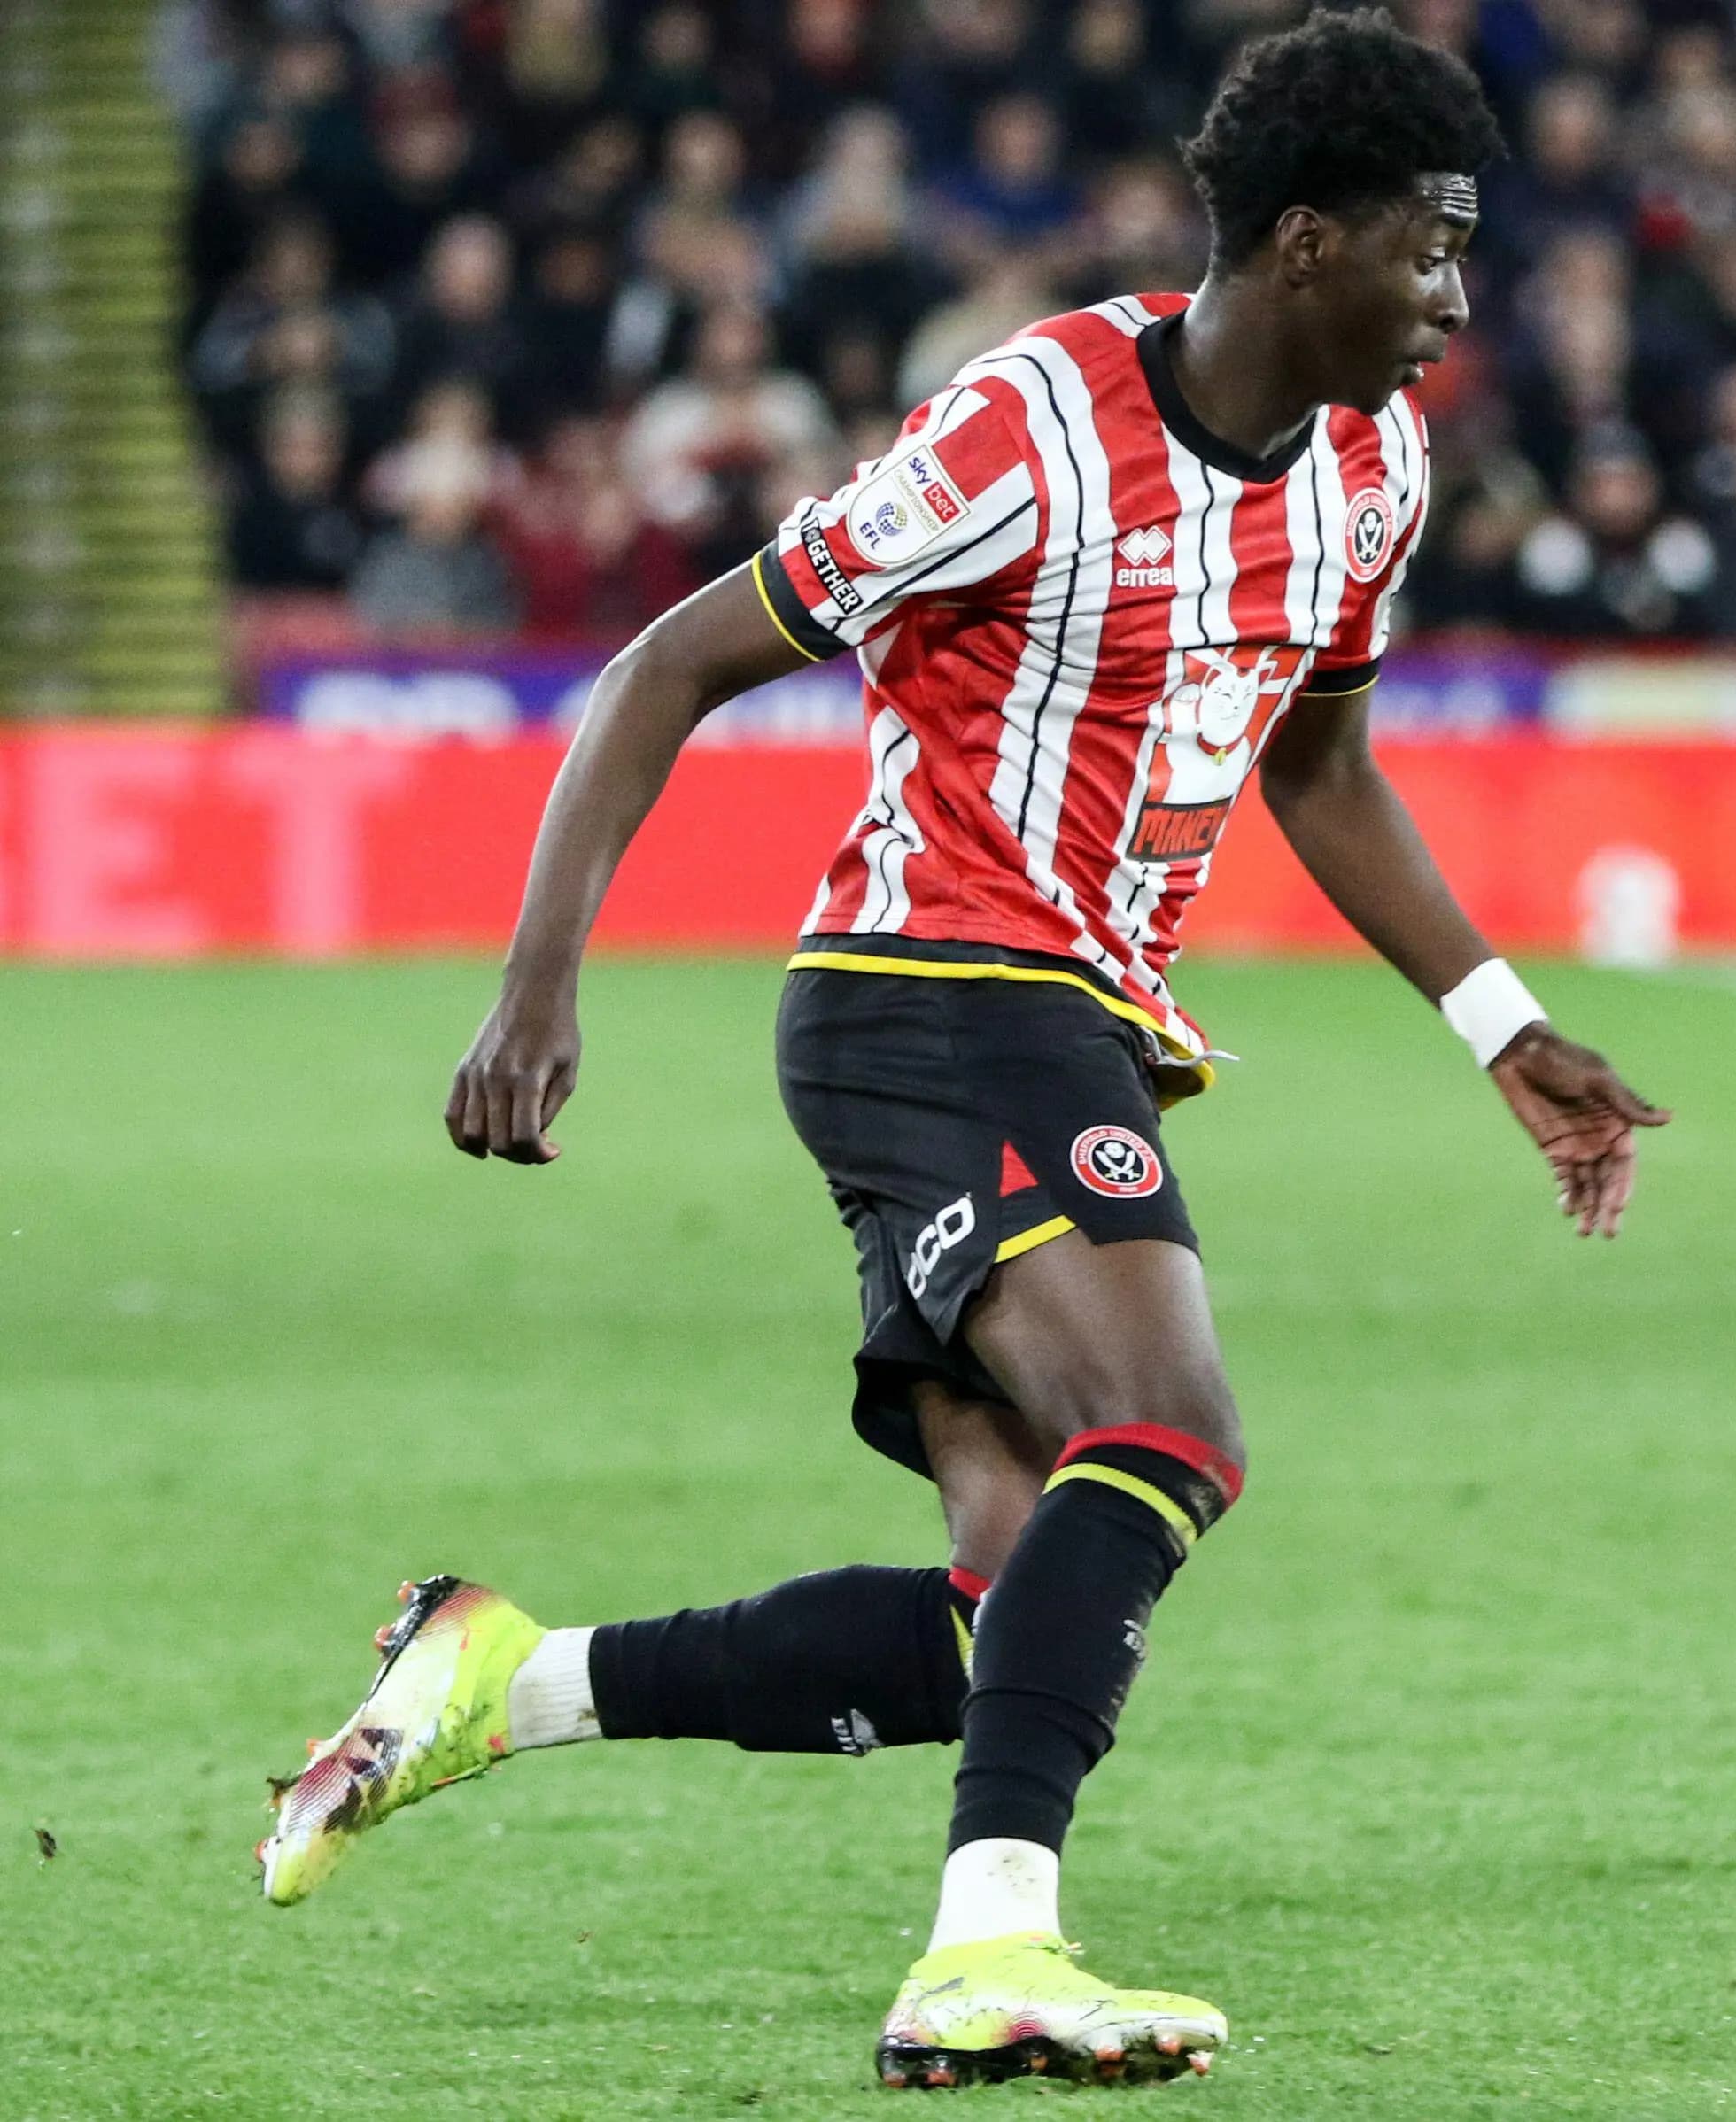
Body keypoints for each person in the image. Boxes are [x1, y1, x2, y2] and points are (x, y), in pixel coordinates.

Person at [256, 12, 1664, 2093]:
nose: (1458, 299)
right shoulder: (1032, 427)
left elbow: (1328, 762)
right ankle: (986, 1948)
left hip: (1075, 1018)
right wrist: (540, 978)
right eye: (1428, 252)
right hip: (935, 988)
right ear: (1302, 241)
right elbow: (677, 655)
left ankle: (500, 1681)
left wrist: (1501, 1021)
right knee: (1169, 1431)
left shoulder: (1379, 467)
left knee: (1004, 1610)